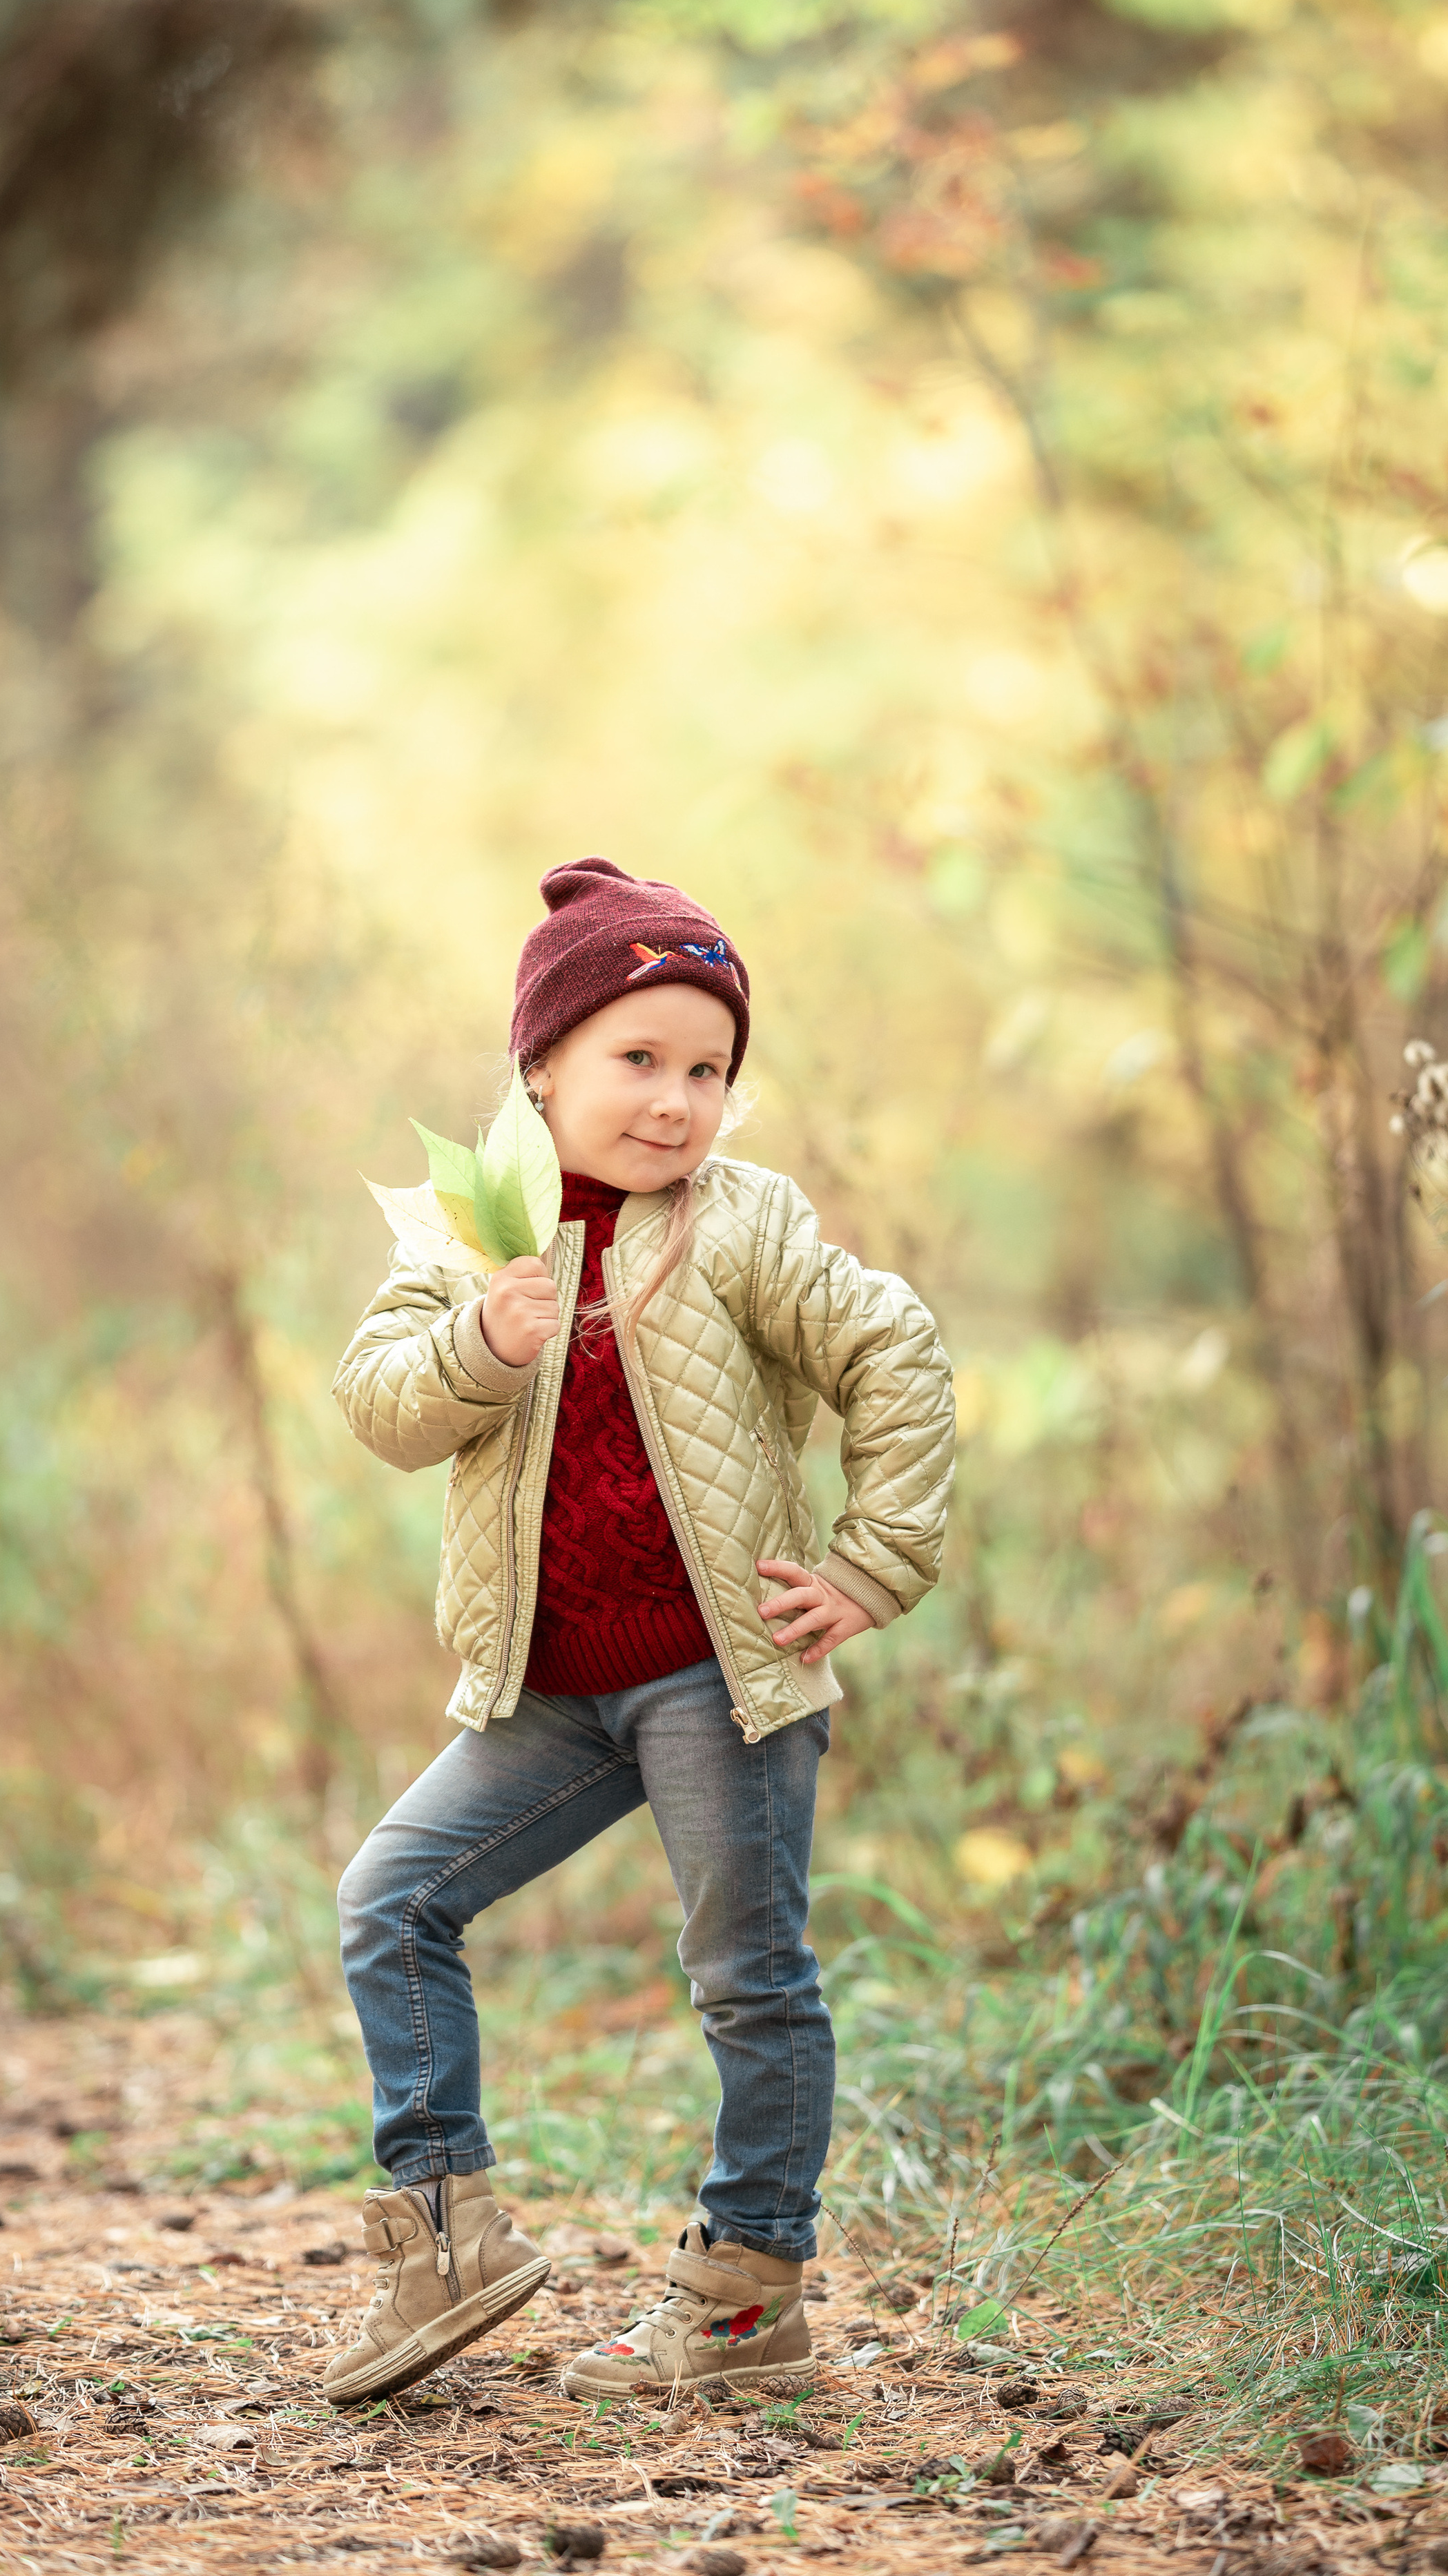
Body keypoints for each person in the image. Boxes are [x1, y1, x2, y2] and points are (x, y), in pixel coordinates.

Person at [327, 855, 956, 2405]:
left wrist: (874, 1562)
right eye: (636, 1059)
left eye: (708, 1071)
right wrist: (480, 1340)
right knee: (390, 1900)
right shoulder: (481, 1228)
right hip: (547, 1687)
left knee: (748, 1971)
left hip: (716, 1679)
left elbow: (894, 1349)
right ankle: (442, 2230)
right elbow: (380, 1401)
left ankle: (747, 2295)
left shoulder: (741, 1225)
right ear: (539, 1065)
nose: (674, 1099)